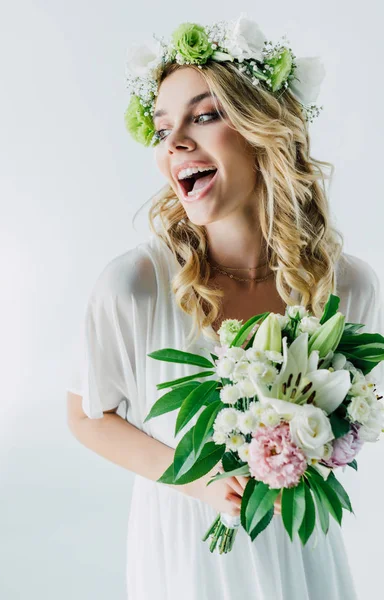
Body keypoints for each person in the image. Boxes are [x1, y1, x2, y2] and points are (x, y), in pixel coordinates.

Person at [66, 16, 384, 599]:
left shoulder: (349, 287)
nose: (177, 143)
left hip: (300, 553)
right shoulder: (135, 285)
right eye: (163, 129)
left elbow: (353, 418)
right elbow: (88, 415)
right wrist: (201, 480)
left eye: (205, 116)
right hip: (187, 559)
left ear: (265, 129)